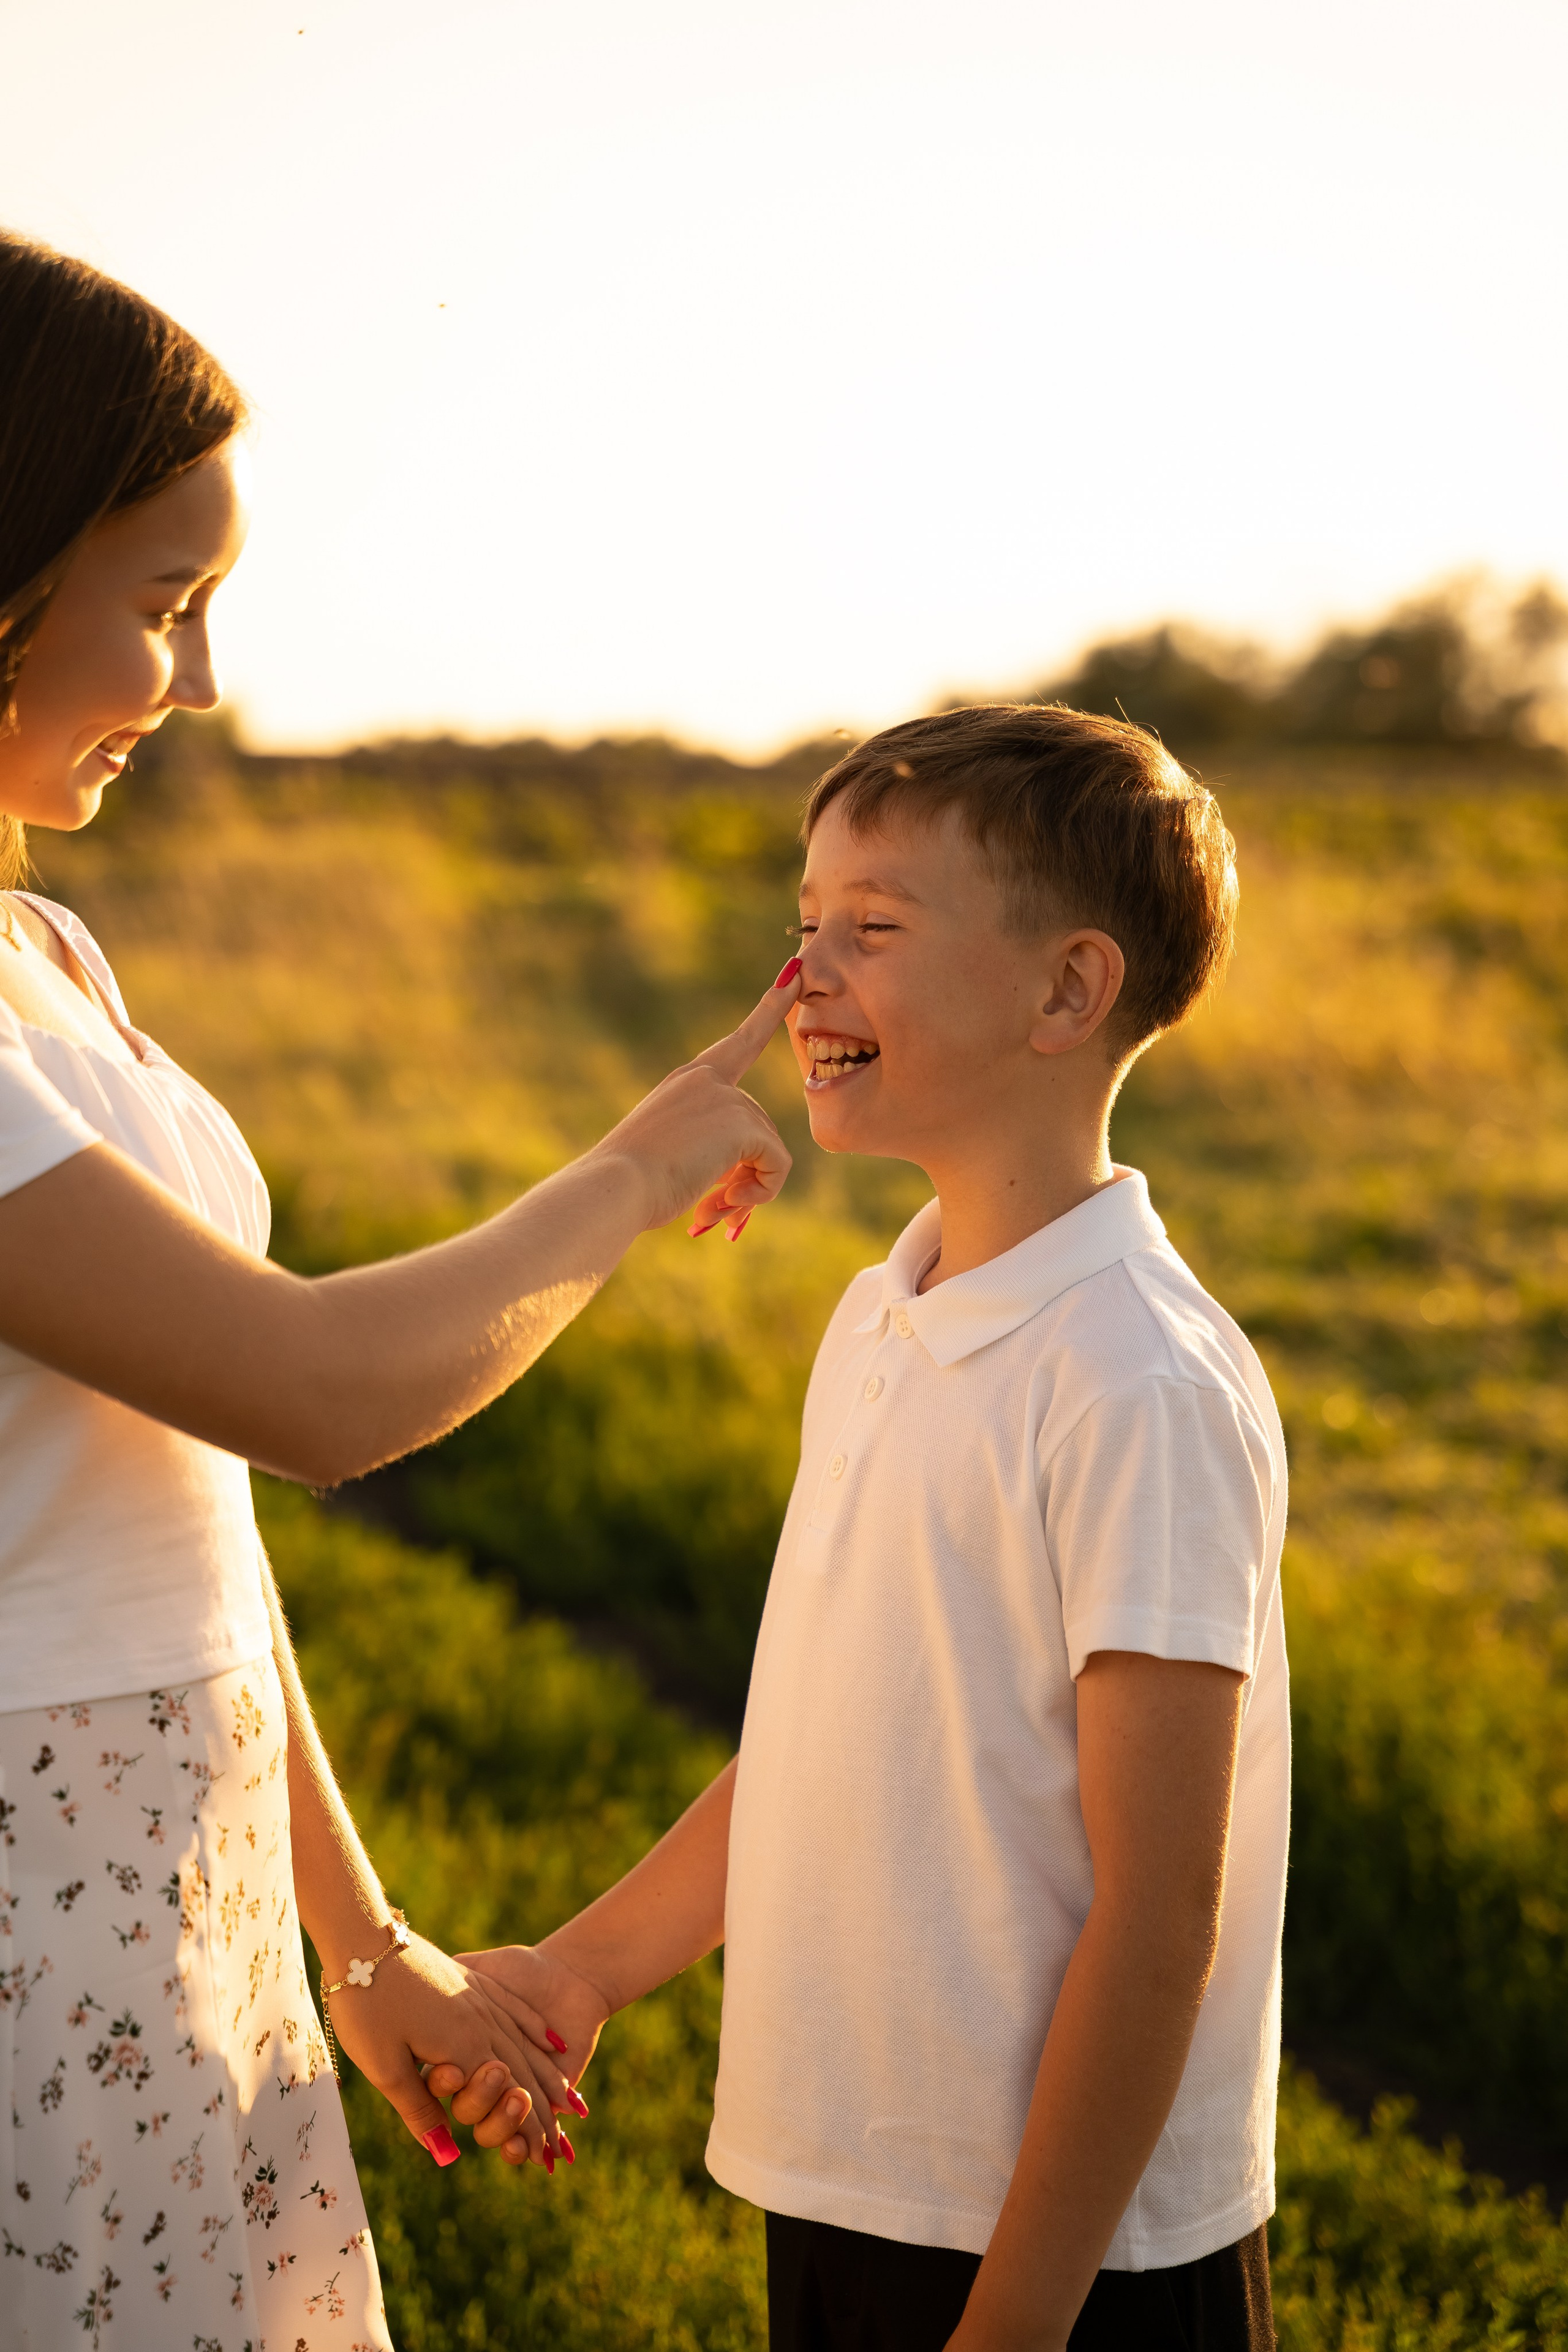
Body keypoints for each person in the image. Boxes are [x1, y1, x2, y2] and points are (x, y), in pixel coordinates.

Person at [0, 229, 801, 2350]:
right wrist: (627, 1178)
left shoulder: (51, 958)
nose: (197, 679)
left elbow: (195, 1510)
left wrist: (356, 1944)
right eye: (160, 605)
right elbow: (319, 1392)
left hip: (164, 1867)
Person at [445, 704, 1289, 2351]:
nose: (799, 979)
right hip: (855, 2191)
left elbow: (1160, 1906)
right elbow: (833, 1740)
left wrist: (1017, 2318)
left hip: (1065, 2262)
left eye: (873, 930)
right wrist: (584, 1973)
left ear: (1069, 990)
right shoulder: (878, 1318)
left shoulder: (1136, 1379)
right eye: (801, 926)